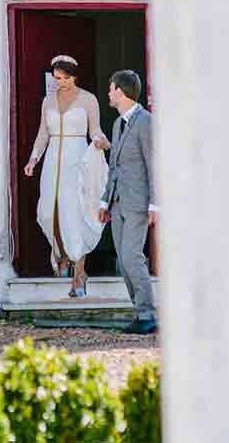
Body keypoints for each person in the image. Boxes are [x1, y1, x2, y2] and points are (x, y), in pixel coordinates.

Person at [21, 55, 110, 298]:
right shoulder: (47, 101)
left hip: (77, 160)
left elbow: (95, 129)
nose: (59, 83)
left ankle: (79, 273)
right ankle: (61, 254)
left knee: (74, 213)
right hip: (52, 162)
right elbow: (42, 134)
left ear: (73, 77)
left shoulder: (88, 99)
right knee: (48, 212)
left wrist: (101, 141)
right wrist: (33, 159)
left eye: (63, 79)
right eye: (56, 78)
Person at [100, 69, 157, 335]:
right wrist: (104, 202)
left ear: (120, 92)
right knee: (123, 262)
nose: (109, 94)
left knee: (132, 258)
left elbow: (154, 164)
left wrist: (155, 204)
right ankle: (141, 311)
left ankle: (147, 313)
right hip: (118, 203)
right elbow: (114, 167)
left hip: (138, 202)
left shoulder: (145, 121)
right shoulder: (117, 123)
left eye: (111, 89)